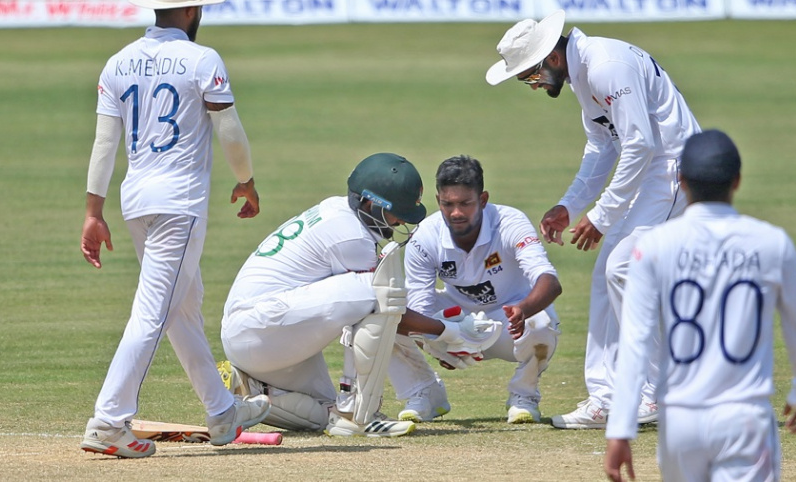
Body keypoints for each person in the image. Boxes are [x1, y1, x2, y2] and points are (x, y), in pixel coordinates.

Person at [486, 9, 702, 428]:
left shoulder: (605, 66)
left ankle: (656, 396)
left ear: (550, 58)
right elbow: (603, 147)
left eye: (529, 76)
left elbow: (639, 143)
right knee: (610, 272)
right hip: (651, 169)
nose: (531, 85)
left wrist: (600, 217)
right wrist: (569, 205)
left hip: (675, 167)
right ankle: (605, 398)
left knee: (623, 267)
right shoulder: (582, 75)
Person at [78, 0, 270, 458]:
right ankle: (108, 422)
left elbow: (105, 143)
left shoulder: (118, 61)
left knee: (181, 309)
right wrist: (246, 181)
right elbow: (229, 128)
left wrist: (93, 210)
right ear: (189, 11)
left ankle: (222, 412)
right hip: (178, 204)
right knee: (154, 312)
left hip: (135, 201)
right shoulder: (203, 59)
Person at [218, 153, 500, 437]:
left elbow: (389, 313)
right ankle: (361, 410)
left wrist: (436, 333)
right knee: (376, 289)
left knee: (330, 418)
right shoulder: (351, 236)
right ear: (371, 204)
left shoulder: (338, 210)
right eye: (396, 211)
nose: (400, 219)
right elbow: (383, 305)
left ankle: (249, 389)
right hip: (260, 328)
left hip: (260, 334)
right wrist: (445, 331)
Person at [603, 130, 796, 482]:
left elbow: (635, 342)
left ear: (681, 181)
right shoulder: (771, 243)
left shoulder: (653, 246)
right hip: (744, 418)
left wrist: (621, 428)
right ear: (736, 181)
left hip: (679, 421)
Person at [388, 155, 562, 424]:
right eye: (448, 204)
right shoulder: (424, 236)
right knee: (387, 311)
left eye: (465, 203)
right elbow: (420, 306)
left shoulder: (510, 222)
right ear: (438, 202)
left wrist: (522, 310)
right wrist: (436, 343)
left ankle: (524, 397)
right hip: (455, 324)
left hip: (509, 322)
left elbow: (549, 280)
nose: (456, 213)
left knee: (542, 322)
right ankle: (424, 392)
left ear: (483, 200)